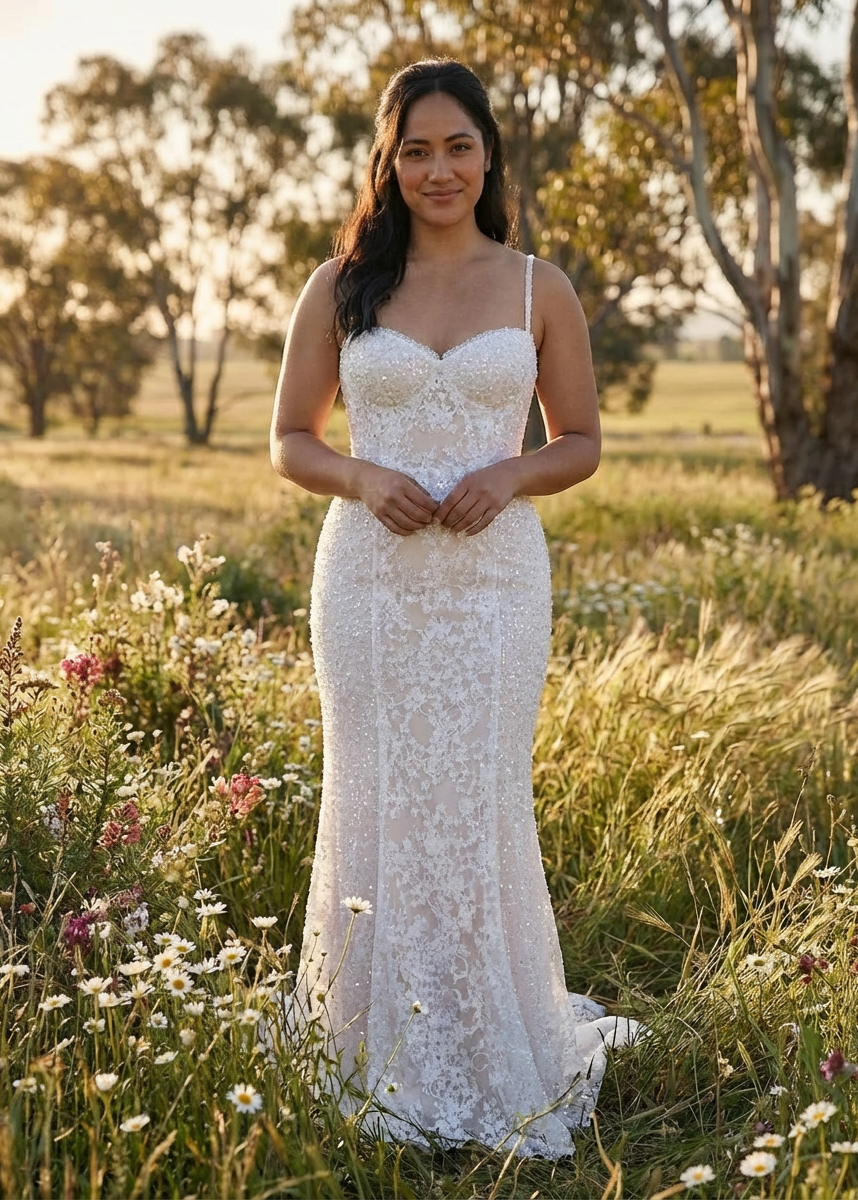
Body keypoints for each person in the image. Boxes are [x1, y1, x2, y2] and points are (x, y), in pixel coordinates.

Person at [269, 57, 646, 1159]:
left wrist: (511, 473)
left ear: (488, 156)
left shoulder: (539, 288)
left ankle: (491, 1042)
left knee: (478, 799)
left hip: (492, 586)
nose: (440, 170)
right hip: (370, 587)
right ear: (389, 163)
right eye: (417, 150)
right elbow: (289, 438)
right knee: (377, 797)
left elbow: (579, 440)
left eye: (459, 147)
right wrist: (361, 476)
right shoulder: (342, 285)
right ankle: (363, 1049)